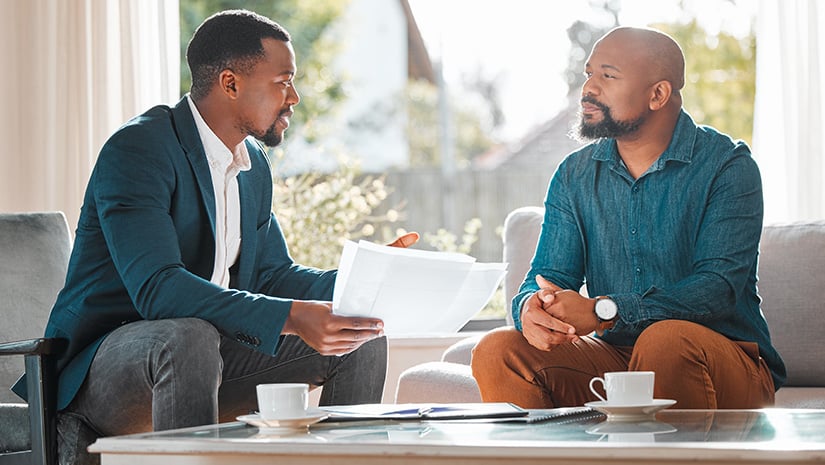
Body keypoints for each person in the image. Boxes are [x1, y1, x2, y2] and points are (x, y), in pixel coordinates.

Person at [11, 9, 418, 464]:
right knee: (189, 337)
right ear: (230, 83)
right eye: (283, 81)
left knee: (357, 335)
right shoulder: (140, 149)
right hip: (104, 367)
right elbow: (158, 289)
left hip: (202, 354)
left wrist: (368, 278)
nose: (295, 97)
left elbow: (271, 273)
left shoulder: (251, 165)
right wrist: (291, 316)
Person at [471, 26, 785, 410]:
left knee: (664, 342)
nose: (588, 88)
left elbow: (717, 289)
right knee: (497, 350)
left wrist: (604, 310)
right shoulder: (574, 175)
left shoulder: (727, 165)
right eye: (589, 73)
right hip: (615, 360)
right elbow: (546, 277)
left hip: (722, 358)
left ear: (658, 94)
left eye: (608, 75)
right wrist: (531, 310)